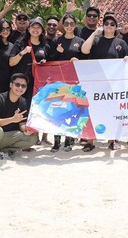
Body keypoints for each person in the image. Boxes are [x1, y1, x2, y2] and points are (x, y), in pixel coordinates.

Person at [82, 13, 128, 151]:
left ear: (116, 28)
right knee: (93, 111)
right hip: (96, 83)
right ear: (103, 26)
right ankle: (90, 141)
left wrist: (127, 59)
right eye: (106, 24)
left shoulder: (121, 43)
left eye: (112, 24)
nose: (109, 26)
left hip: (114, 85)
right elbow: (84, 50)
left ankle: (112, 140)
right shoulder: (96, 41)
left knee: (113, 112)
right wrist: (94, 34)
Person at [0, 73, 38, 167]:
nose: (20, 88)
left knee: (33, 138)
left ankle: (3, 151)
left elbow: (21, 122)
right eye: (17, 84)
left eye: (23, 86)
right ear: (11, 85)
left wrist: (25, 130)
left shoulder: (23, 102)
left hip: (7, 137)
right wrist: (12, 119)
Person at [48, 13, 85, 152]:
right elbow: (49, 60)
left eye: (71, 23)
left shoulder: (80, 41)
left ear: (75, 25)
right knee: (57, 110)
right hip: (59, 81)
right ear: (62, 26)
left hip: (74, 81)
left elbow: (85, 61)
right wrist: (58, 53)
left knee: (71, 111)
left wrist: (78, 61)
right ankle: (57, 142)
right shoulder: (56, 41)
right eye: (66, 23)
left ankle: (69, 141)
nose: (69, 26)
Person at [9, 17, 51, 111]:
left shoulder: (45, 46)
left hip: (36, 84)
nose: (35, 30)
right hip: (20, 84)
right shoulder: (20, 43)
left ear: (42, 30)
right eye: (33, 27)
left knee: (32, 110)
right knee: (17, 109)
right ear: (28, 29)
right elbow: (11, 62)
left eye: (38, 27)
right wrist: (22, 53)